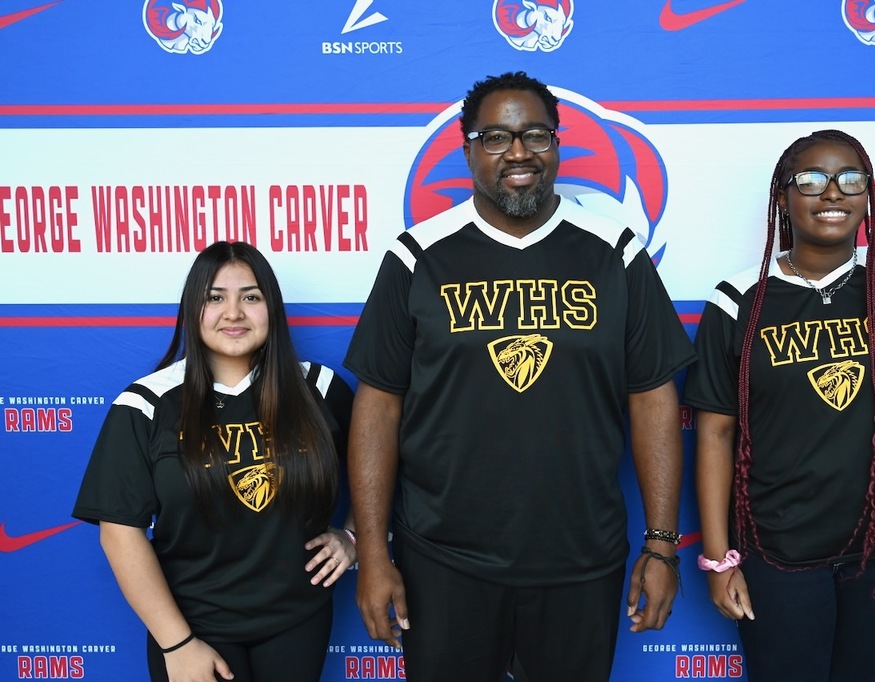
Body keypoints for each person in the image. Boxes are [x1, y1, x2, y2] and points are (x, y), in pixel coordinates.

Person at [343, 71, 696, 681]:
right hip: (443, 556)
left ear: (556, 144)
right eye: (496, 137)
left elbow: (652, 400)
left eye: (535, 135)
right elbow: (378, 408)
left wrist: (662, 545)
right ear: (468, 150)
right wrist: (373, 553)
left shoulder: (614, 250)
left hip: (580, 555)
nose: (518, 153)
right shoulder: (418, 254)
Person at [684, 130, 875, 681]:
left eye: (850, 179)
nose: (832, 192)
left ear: (868, 195)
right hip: (777, 554)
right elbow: (715, 435)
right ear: (782, 197)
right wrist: (718, 560)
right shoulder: (737, 301)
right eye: (811, 180)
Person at [73, 241, 356, 682]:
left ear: (272, 307)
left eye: (251, 296)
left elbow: (376, 467)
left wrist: (354, 536)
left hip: (299, 619)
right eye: (215, 297)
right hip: (194, 625)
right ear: (193, 308)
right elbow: (119, 532)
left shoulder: (319, 388)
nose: (234, 313)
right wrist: (177, 644)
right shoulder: (146, 404)